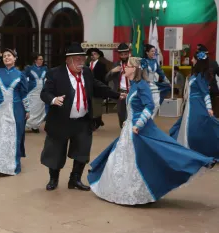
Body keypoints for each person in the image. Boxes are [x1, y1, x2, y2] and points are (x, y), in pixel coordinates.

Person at [88, 57, 216, 205]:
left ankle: (195, 162)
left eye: (128, 66)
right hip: (130, 127)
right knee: (126, 159)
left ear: (135, 69)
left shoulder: (142, 86)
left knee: (154, 155)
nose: (125, 68)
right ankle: (126, 189)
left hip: (137, 129)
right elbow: (134, 107)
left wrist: (138, 124)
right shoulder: (135, 85)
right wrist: (128, 120)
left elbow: (149, 106)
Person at [40, 42, 125, 191]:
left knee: (82, 151)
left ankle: (75, 179)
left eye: (83, 59)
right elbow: (45, 93)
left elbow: (98, 86)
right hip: (61, 120)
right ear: (68, 60)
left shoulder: (86, 72)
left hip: (83, 120)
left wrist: (117, 95)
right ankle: (53, 179)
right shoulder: (55, 73)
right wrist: (54, 100)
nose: (81, 63)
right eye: (77, 59)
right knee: (55, 152)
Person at [169, 51, 219, 159]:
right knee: (190, 126)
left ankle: (193, 147)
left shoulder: (200, 76)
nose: (191, 60)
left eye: (193, 58)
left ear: (197, 61)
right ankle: (188, 147)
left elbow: (205, 93)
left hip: (196, 105)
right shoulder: (197, 75)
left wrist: (209, 108)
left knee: (194, 127)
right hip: (191, 105)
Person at [142, 44, 171, 118]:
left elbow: (160, 72)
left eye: (154, 51)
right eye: (152, 51)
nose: (153, 53)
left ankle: (150, 119)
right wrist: (147, 82)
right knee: (148, 104)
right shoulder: (143, 61)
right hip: (145, 84)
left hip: (153, 84)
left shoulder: (155, 61)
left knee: (157, 104)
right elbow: (144, 74)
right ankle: (145, 120)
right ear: (147, 52)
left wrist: (168, 81)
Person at [105, 43, 130, 128]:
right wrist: (112, 71)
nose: (123, 56)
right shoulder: (116, 64)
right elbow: (106, 78)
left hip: (132, 92)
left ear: (128, 53)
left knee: (131, 113)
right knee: (121, 113)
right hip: (121, 93)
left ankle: (131, 132)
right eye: (121, 54)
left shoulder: (133, 63)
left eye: (125, 54)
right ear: (119, 55)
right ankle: (123, 131)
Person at [24, 52, 48, 133]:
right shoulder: (29, 68)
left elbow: (48, 78)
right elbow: (23, 77)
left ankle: (35, 126)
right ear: (35, 60)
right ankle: (26, 124)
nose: (41, 61)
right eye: (40, 59)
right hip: (32, 92)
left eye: (42, 59)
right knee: (32, 109)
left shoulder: (45, 68)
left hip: (41, 92)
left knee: (40, 110)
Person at [86, 48, 108, 130]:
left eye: (95, 54)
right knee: (90, 106)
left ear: (98, 55)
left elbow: (104, 79)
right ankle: (96, 121)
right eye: (91, 54)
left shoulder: (101, 65)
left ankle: (97, 121)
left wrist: (105, 90)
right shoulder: (87, 65)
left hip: (98, 89)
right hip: (88, 89)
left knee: (97, 106)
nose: (93, 56)